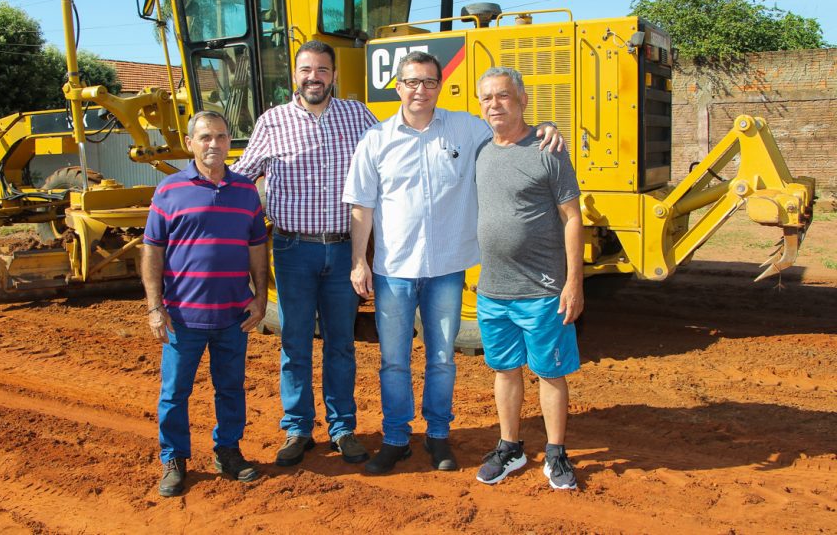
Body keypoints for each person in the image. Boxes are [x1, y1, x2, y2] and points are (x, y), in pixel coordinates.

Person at [342, 51, 564, 474]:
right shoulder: (376, 139)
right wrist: (358, 260)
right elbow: (362, 206)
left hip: (447, 268)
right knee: (393, 359)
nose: (420, 90)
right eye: (411, 82)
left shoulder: (467, 128)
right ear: (398, 86)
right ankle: (395, 439)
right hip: (394, 270)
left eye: (429, 82)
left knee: (441, 358)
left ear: (439, 86)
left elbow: (510, 133)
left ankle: (439, 437)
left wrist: (544, 130)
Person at [232, 40, 375, 467]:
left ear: (334, 75)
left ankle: (343, 428)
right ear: (295, 75)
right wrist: (193, 183)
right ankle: (297, 429)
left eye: (323, 70)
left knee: (341, 345)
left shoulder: (358, 115)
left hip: (346, 249)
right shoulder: (272, 122)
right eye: (306, 70)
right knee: (295, 343)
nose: (315, 77)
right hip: (293, 250)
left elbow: (396, 149)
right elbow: (240, 176)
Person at [142, 110, 269, 497]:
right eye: (205, 137)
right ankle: (174, 459)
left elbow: (257, 248)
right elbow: (152, 250)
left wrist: (261, 297)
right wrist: (154, 306)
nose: (214, 144)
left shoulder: (246, 190)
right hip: (183, 316)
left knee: (230, 388)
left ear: (230, 141)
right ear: (190, 143)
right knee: (174, 392)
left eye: (220, 136)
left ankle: (228, 451)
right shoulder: (169, 190)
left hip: (233, 315)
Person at [472, 67, 583, 490]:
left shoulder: (546, 150)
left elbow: (573, 218)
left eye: (503, 96)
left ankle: (556, 454)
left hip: (542, 291)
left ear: (522, 101)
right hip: (493, 290)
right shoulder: (482, 150)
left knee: (549, 373)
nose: (494, 105)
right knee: (505, 371)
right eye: (486, 98)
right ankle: (510, 447)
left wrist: (574, 282)